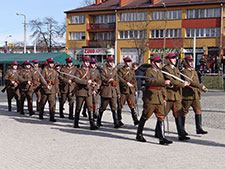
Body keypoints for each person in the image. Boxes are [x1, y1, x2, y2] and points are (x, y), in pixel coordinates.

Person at [136, 55, 173, 145]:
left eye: (160, 62)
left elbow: (162, 86)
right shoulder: (148, 71)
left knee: (161, 116)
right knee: (145, 116)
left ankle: (162, 137)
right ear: (153, 63)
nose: (160, 63)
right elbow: (149, 82)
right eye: (158, 62)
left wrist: (165, 97)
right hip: (151, 97)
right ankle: (139, 134)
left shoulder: (160, 72)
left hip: (159, 97)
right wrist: (163, 82)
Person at [160, 53, 190, 141]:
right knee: (163, 114)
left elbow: (178, 79)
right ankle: (158, 132)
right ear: (168, 60)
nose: (175, 60)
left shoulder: (176, 69)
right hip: (169, 95)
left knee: (179, 115)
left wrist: (184, 82)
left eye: (175, 58)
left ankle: (181, 134)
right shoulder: (166, 69)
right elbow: (171, 80)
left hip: (176, 96)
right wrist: (182, 84)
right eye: (172, 58)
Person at [181, 56, 208, 135]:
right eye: (189, 61)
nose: (192, 63)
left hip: (195, 95)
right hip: (187, 95)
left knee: (198, 111)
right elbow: (190, 82)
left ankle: (199, 128)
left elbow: (196, 81)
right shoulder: (184, 72)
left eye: (192, 61)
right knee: (184, 112)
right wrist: (200, 86)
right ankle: (182, 129)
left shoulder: (194, 71)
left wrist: (200, 88)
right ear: (185, 63)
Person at [73, 56, 98, 130]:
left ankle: (92, 124)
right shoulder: (78, 71)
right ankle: (76, 122)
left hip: (88, 92)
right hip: (80, 92)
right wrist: (86, 82)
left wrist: (94, 89)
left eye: (88, 62)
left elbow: (93, 80)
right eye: (86, 62)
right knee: (78, 107)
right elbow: (76, 80)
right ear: (82, 62)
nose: (87, 63)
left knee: (90, 107)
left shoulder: (90, 71)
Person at [97, 57, 121, 128]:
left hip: (113, 91)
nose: (111, 63)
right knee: (103, 107)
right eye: (110, 62)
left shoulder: (114, 71)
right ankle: (98, 121)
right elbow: (102, 78)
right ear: (107, 62)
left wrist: (118, 92)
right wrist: (108, 80)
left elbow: (117, 82)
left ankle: (116, 122)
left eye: (112, 62)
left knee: (114, 107)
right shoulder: (103, 70)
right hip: (106, 91)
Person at [117, 57, 139, 126]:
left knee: (132, 105)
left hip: (131, 91)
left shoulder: (132, 71)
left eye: (129, 62)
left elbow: (134, 81)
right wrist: (126, 83)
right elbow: (120, 79)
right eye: (127, 62)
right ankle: (119, 120)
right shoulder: (121, 70)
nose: (128, 63)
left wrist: (136, 90)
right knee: (120, 106)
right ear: (124, 62)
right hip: (123, 90)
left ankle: (135, 120)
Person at [39, 58, 58, 122]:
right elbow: (42, 79)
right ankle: (41, 114)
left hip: (52, 90)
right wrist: (46, 85)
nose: (51, 64)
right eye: (50, 63)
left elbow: (56, 82)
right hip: (45, 90)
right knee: (43, 103)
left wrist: (56, 91)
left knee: (52, 104)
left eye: (52, 63)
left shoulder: (54, 72)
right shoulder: (44, 70)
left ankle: (52, 117)